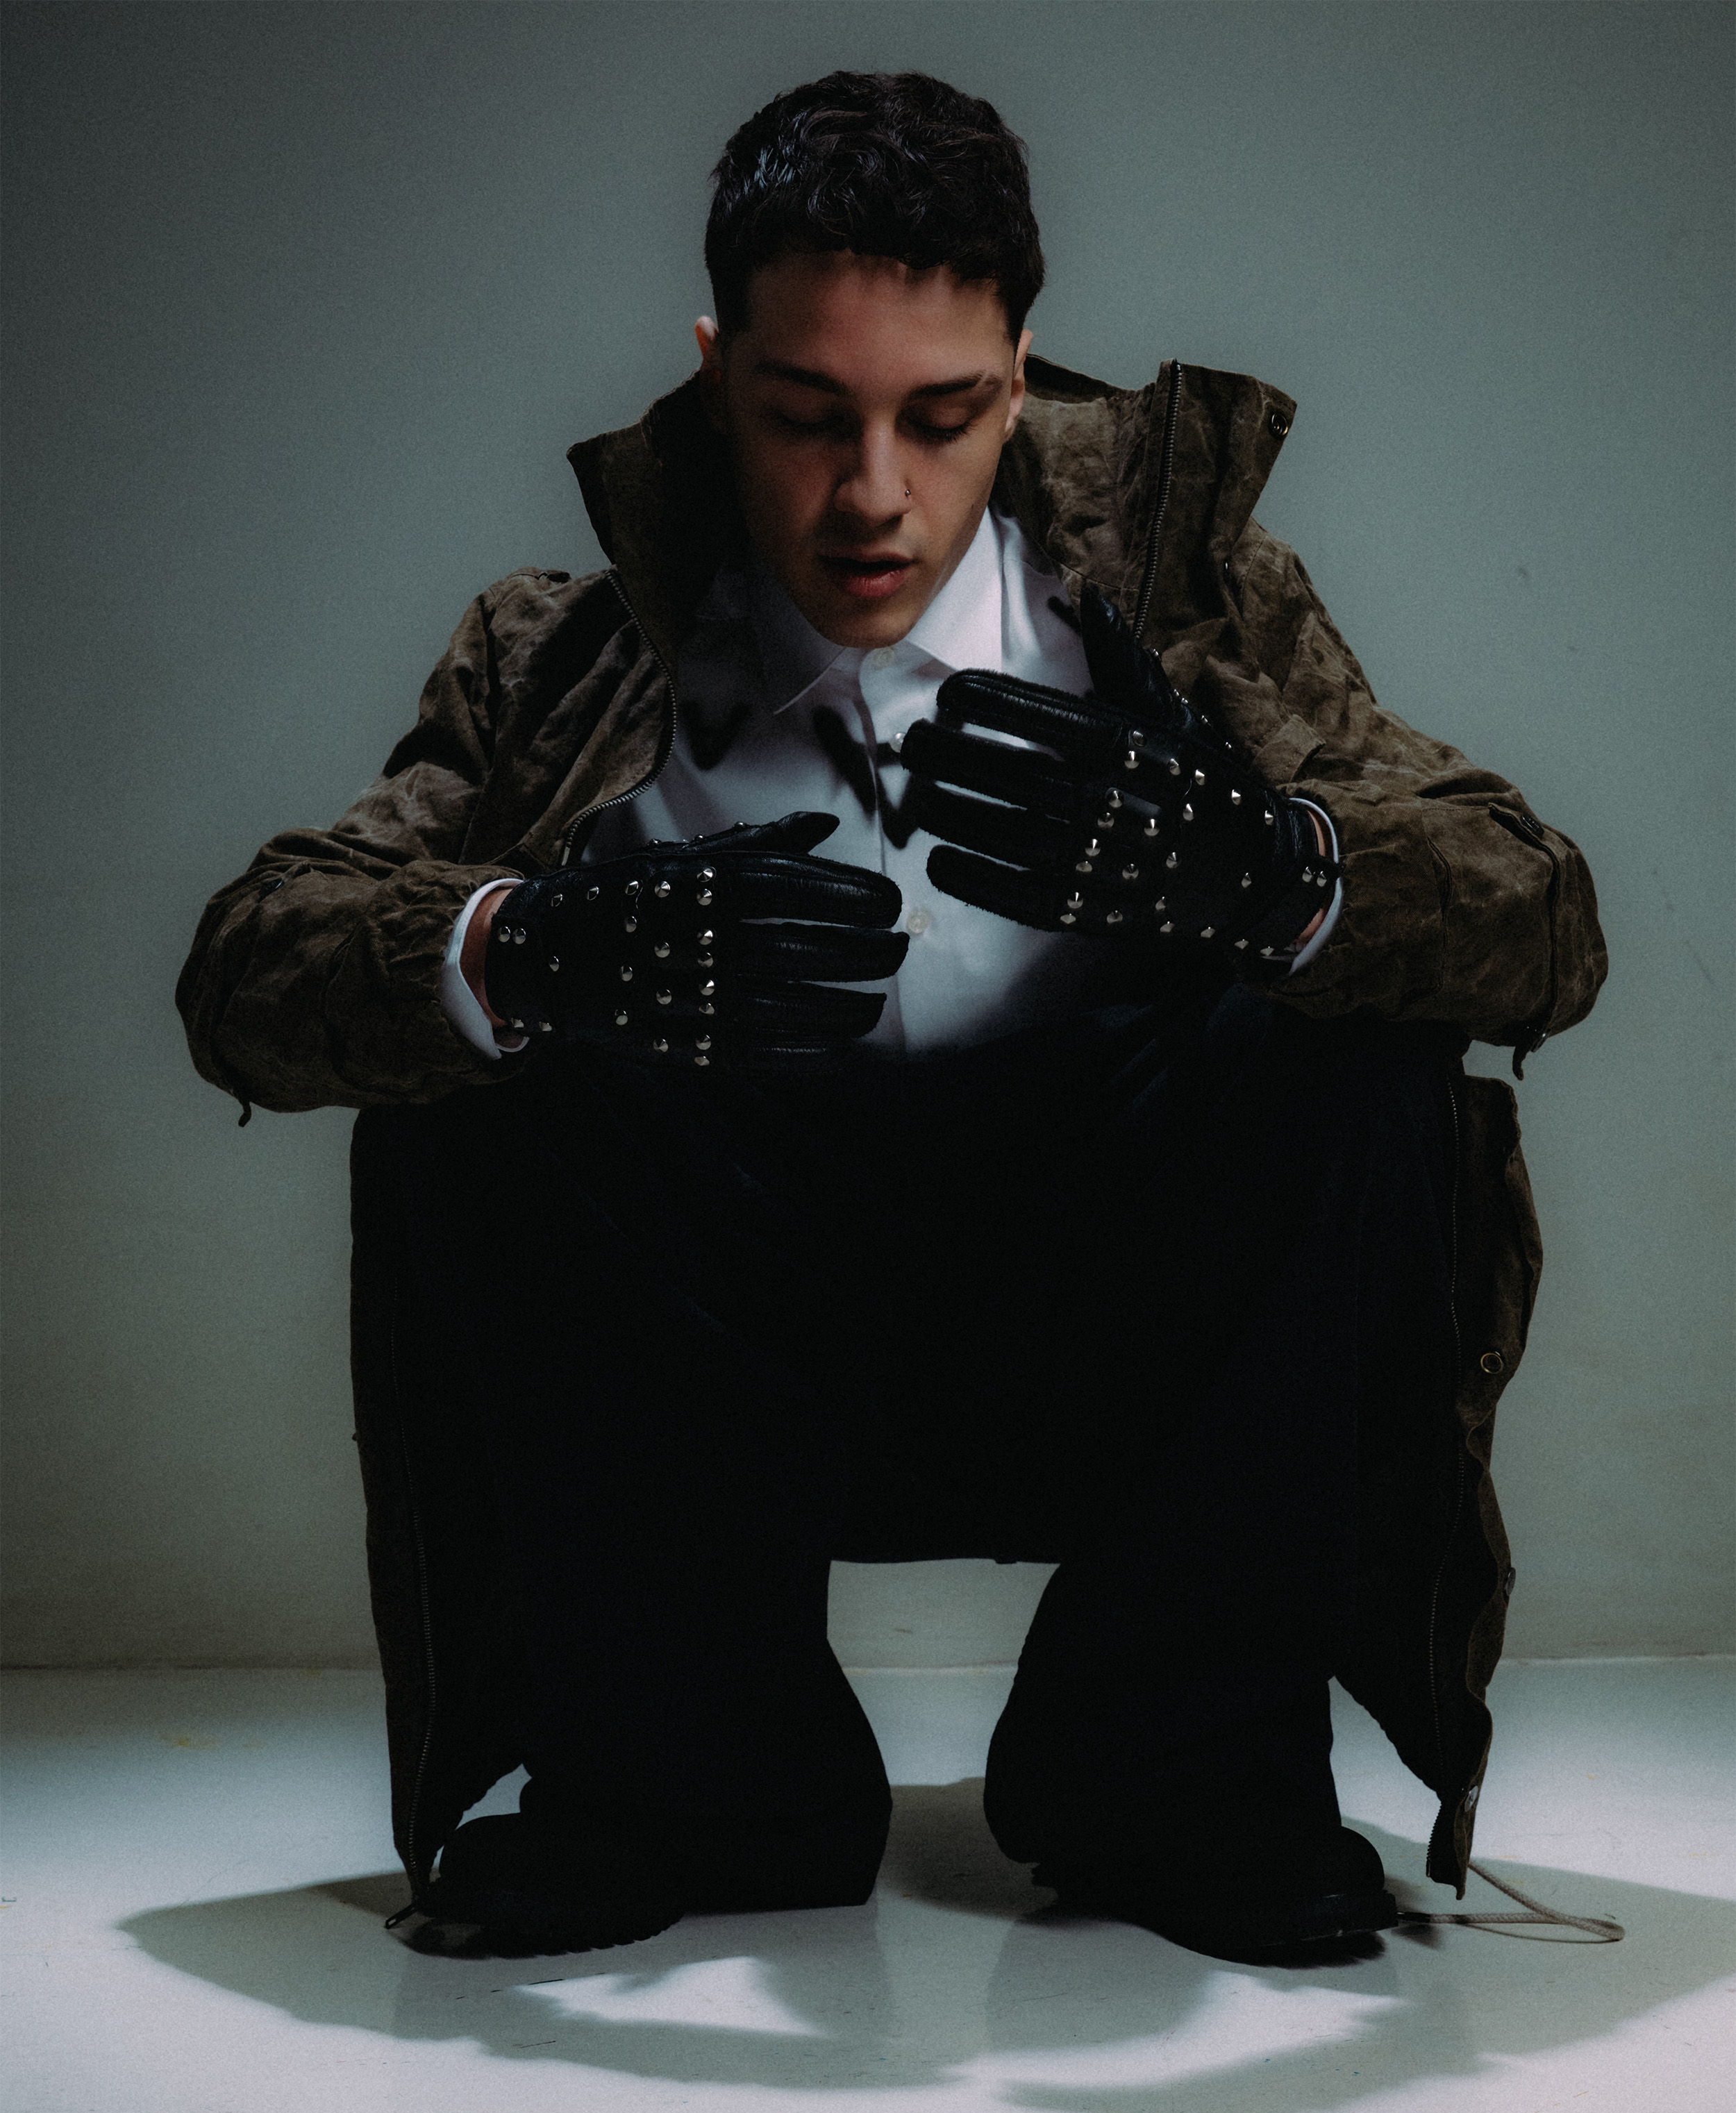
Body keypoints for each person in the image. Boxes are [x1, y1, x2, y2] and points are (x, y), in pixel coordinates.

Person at [176, 71, 1606, 1964]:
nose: (871, 494)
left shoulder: (1196, 613)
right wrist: (531, 952)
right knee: (481, 1033)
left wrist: (1274, 872)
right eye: (804, 416)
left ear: (1016, 377)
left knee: (1353, 1031)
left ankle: (1175, 1778)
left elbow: (1540, 917)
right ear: (716, 375)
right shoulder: (559, 651)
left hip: (1115, 1329)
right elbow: (251, 965)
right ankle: (687, 1780)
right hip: (722, 1361)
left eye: (939, 419)